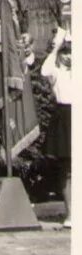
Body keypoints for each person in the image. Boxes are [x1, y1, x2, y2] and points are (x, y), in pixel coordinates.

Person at [41, 27, 71, 229]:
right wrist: (57, 46)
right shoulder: (57, 73)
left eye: (71, 52)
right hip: (65, 117)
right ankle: (71, 214)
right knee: (67, 170)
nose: (68, 57)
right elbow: (44, 70)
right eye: (65, 52)